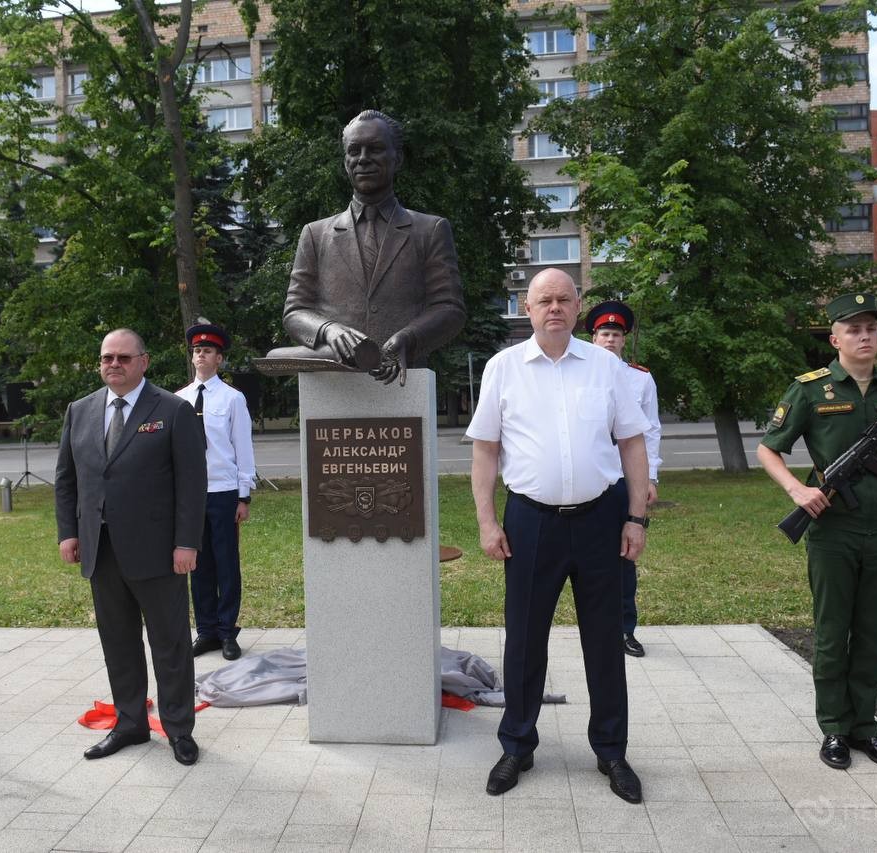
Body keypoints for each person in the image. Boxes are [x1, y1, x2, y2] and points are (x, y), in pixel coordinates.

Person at [467, 269, 652, 803]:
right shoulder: (504, 368)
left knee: (604, 638)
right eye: (543, 300)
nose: (554, 308)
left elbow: (633, 444)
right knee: (524, 638)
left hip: (601, 518)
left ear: (577, 306)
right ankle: (517, 745)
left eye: (563, 299)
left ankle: (612, 750)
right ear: (526, 307)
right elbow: (484, 449)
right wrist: (486, 520)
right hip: (531, 521)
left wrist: (636, 518)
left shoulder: (606, 368)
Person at [757, 293, 877, 772]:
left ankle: (865, 729)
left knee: (873, 632)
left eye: (871, 328)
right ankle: (834, 729)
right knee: (833, 632)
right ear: (835, 339)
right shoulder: (810, 391)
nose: (865, 336)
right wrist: (795, 490)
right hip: (834, 530)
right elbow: (769, 449)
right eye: (853, 329)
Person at [55, 328, 208, 764]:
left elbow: (192, 485)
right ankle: (130, 724)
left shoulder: (174, 410)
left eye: (123, 357)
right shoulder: (80, 411)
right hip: (100, 550)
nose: (114, 365)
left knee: (170, 643)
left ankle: (179, 728)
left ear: (144, 361)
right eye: (107, 358)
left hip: (160, 551)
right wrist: (69, 532)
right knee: (118, 642)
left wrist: (186, 543)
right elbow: (67, 480)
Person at [270, 109, 466, 385]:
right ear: (345, 161)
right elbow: (295, 311)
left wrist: (408, 338)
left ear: (397, 158)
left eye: (374, 149)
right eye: (354, 150)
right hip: (334, 378)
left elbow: (449, 308)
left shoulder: (429, 230)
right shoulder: (315, 234)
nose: (363, 159)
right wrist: (328, 330)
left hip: (402, 375)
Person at [176, 322, 256, 661]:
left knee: (226, 564)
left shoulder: (232, 399)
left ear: (219, 359)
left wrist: (243, 495)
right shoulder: (178, 400)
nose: (200, 355)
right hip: (191, 496)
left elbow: (243, 447)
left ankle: (227, 631)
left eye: (207, 351)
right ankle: (206, 630)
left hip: (223, 492)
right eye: (196, 351)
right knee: (199, 564)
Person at [587, 300, 662, 658]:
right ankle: (593, 631)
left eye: (616, 334)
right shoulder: (579, 372)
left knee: (623, 557)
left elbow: (651, 432)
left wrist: (650, 477)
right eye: (604, 333)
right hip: (587, 480)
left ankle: (623, 629)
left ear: (624, 339)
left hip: (622, 481)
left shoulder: (640, 378)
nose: (610, 340)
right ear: (593, 336)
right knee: (584, 560)